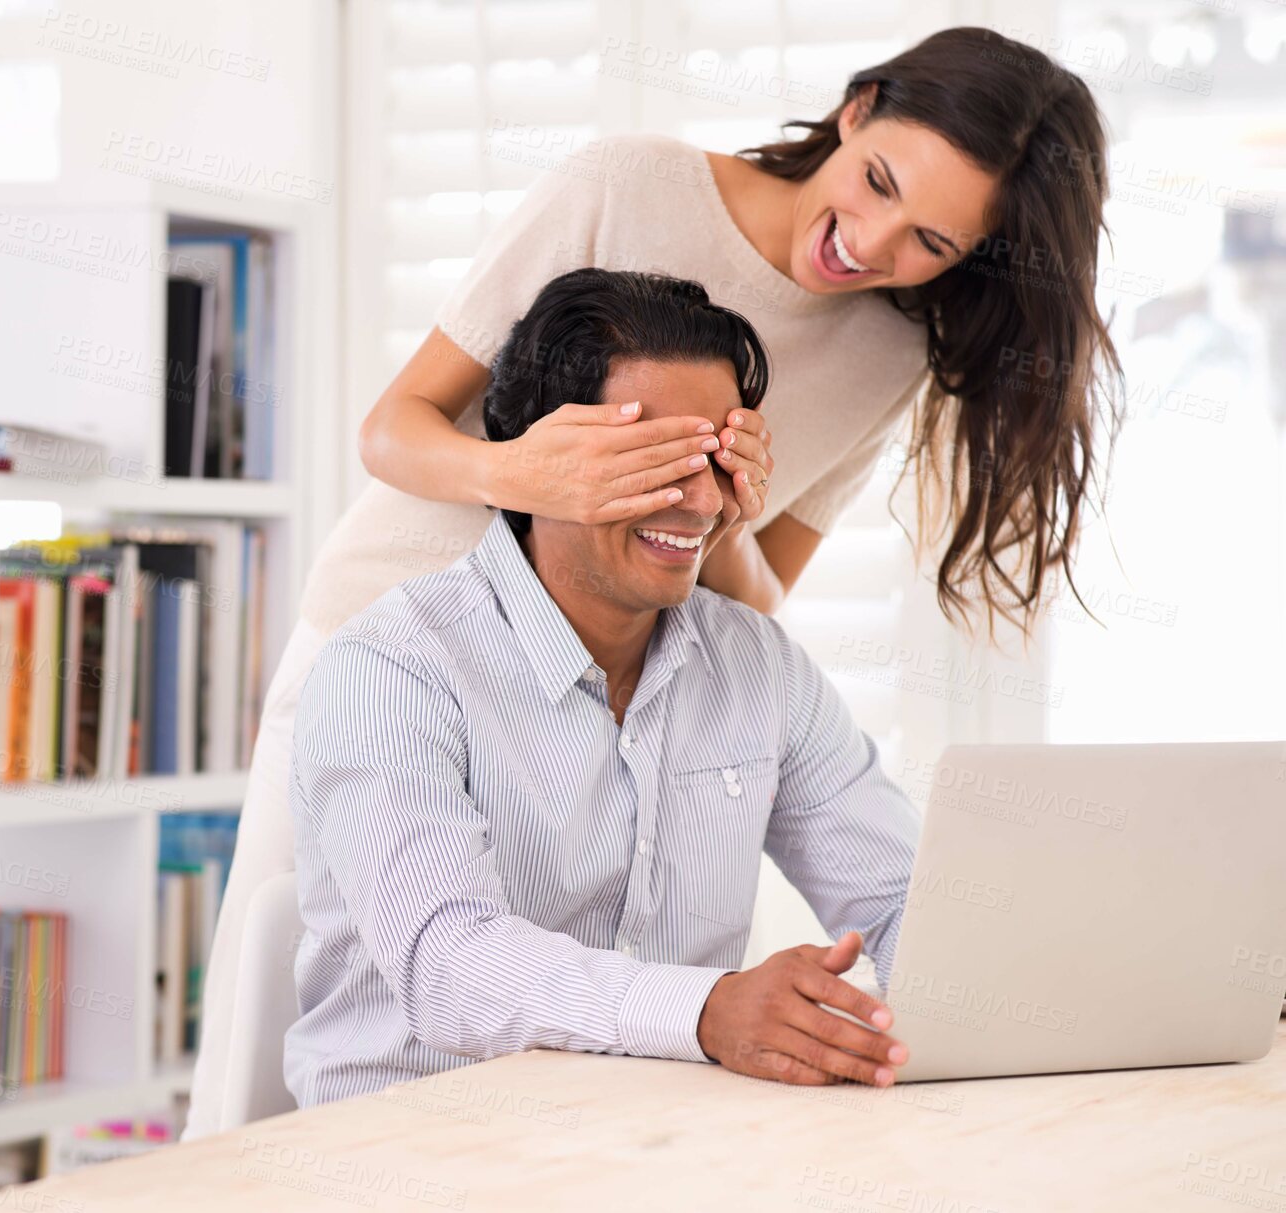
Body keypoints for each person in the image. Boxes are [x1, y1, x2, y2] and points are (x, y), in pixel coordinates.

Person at [187, 26, 1120, 1132]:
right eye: (876, 185)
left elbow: (751, 601)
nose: (871, 242)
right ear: (856, 110)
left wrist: (710, 494)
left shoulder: (882, 359)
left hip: (643, 650)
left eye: (931, 241)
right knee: (291, 1030)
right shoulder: (624, 186)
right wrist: (526, 472)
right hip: (412, 647)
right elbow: (393, 423)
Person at [285, 269, 921, 1107]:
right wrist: (707, 1010)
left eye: (714, 457)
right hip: (416, 1157)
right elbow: (449, 963)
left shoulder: (758, 669)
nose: (699, 500)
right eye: (646, 459)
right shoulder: (391, 671)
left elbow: (906, 898)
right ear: (543, 464)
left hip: (655, 1150)